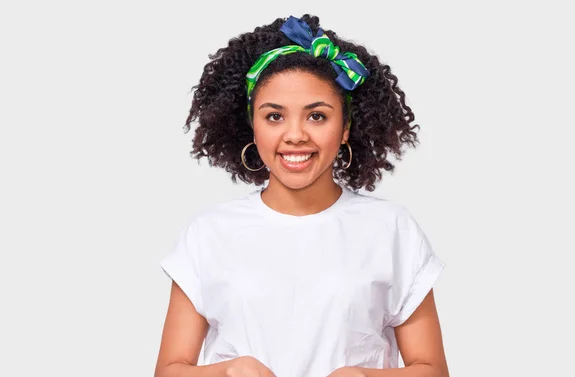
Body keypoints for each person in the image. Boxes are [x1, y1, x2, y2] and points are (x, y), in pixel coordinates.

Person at [155, 14, 449, 377]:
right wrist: (228, 372)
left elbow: (432, 369)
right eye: (274, 116)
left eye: (317, 117)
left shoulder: (391, 229)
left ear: (345, 128)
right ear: (252, 125)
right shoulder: (208, 233)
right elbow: (169, 370)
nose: (295, 135)